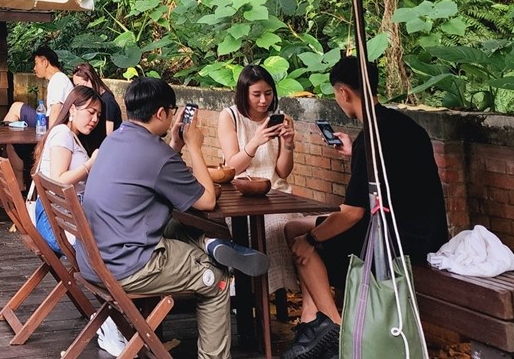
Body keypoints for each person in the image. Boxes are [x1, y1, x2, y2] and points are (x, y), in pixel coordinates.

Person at [79, 76, 268, 359]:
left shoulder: (115, 139)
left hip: (94, 259)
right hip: (127, 265)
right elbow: (207, 200)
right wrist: (194, 146)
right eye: (171, 111)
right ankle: (209, 250)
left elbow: (153, 169)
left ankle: (208, 243)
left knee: (173, 223)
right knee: (216, 277)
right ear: (161, 113)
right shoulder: (156, 153)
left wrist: (174, 144)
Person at [281, 57, 449, 359]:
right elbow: (393, 177)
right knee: (296, 226)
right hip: (426, 232)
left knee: (301, 244)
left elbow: (352, 213)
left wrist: (312, 240)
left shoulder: (369, 138)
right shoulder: (402, 126)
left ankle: (339, 329)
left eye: (336, 94)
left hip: (395, 240)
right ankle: (312, 318)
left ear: (344, 92)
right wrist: (353, 153)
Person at [217, 65, 301, 298]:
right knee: (271, 229)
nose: (263, 101)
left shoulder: (282, 119)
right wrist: (255, 141)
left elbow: (282, 173)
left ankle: (273, 293)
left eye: (268, 93)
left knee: (293, 229)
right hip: (241, 197)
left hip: (277, 194)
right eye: (256, 94)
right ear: (244, 94)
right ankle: (259, 293)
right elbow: (233, 166)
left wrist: (288, 144)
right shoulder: (230, 116)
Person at [31, 85, 101, 254]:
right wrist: (90, 164)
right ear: (72, 109)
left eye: (98, 115)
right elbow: (59, 180)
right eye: (90, 112)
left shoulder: (70, 136)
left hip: (61, 216)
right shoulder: (62, 134)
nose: (95, 119)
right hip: (56, 223)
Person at [3, 45, 73, 184]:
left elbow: (55, 111)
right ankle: (19, 185)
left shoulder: (58, 79)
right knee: (12, 143)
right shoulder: (59, 79)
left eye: (36, 63)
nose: (34, 68)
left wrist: (49, 138)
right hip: (51, 124)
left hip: (52, 126)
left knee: (16, 107)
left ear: (44, 62)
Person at [71, 62, 122, 154]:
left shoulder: (107, 101)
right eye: (76, 86)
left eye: (80, 85)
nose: (78, 89)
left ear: (90, 79)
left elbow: (108, 135)